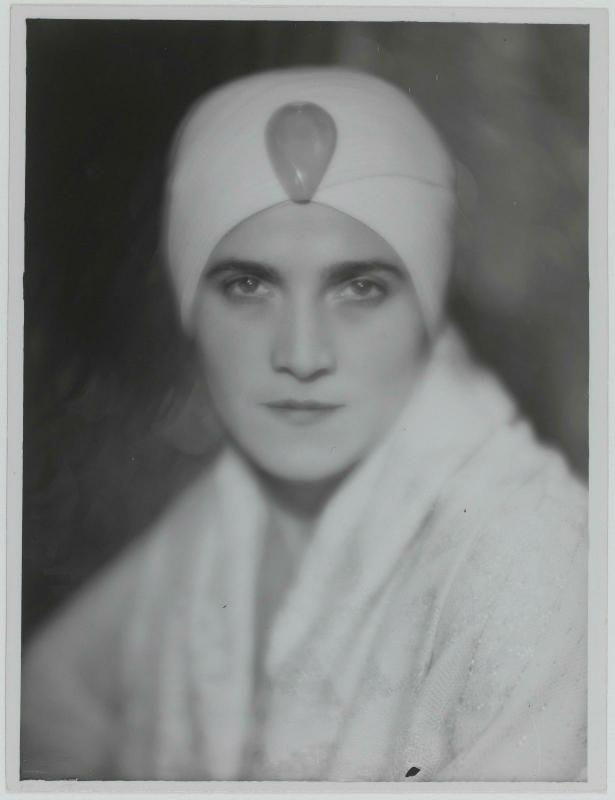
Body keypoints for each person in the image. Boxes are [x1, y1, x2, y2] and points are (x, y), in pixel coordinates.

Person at [21, 67, 587, 782]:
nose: (301, 353)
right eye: (247, 286)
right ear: (190, 309)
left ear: (427, 312)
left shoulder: (533, 561)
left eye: (359, 288)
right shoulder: (227, 517)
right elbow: (44, 703)